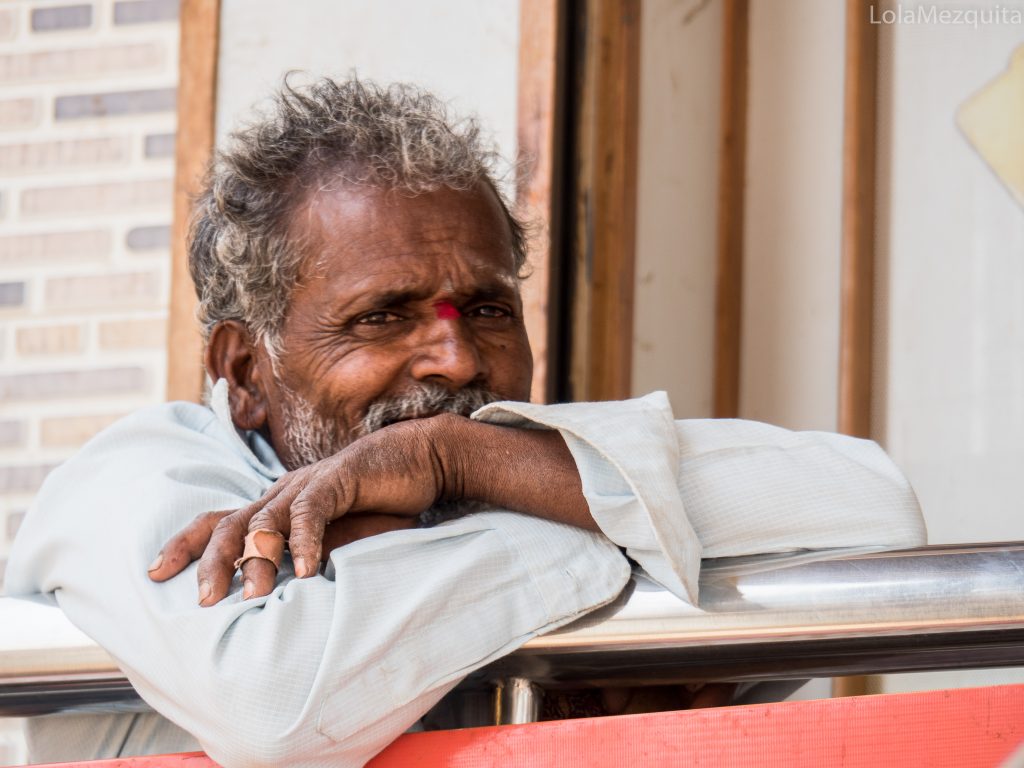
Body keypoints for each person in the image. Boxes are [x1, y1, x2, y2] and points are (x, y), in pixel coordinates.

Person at [5, 77, 926, 768]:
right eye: (382, 316)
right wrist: (618, 537)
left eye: (486, 310)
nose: (456, 359)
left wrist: (455, 462)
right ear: (245, 370)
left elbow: (877, 519)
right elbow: (272, 701)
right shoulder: (134, 478)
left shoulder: (483, 454)